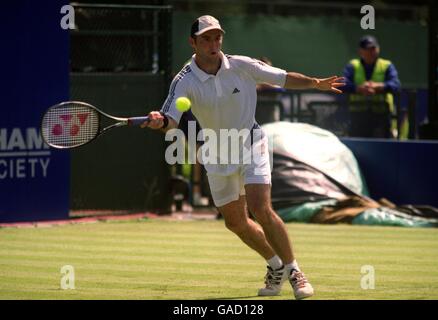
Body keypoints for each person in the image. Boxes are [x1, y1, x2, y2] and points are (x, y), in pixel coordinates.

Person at [141, 15, 344, 299]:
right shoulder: (183, 80)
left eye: (217, 37)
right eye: (206, 39)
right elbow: (171, 120)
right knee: (235, 222)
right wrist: (158, 121)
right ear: (193, 42)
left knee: (261, 208)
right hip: (215, 150)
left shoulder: (242, 65)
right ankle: (275, 265)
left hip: (251, 142)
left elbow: (284, 79)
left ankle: (295, 271)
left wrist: (315, 83)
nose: (213, 44)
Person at [342, 35, 402, 138]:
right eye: (367, 49)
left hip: (382, 116)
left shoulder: (386, 65)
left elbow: (396, 85)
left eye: (373, 48)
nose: (371, 52)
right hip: (358, 117)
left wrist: (377, 87)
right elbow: (343, 84)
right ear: (360, 51)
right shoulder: (353, 65)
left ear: (378, 49)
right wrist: (359, 89)